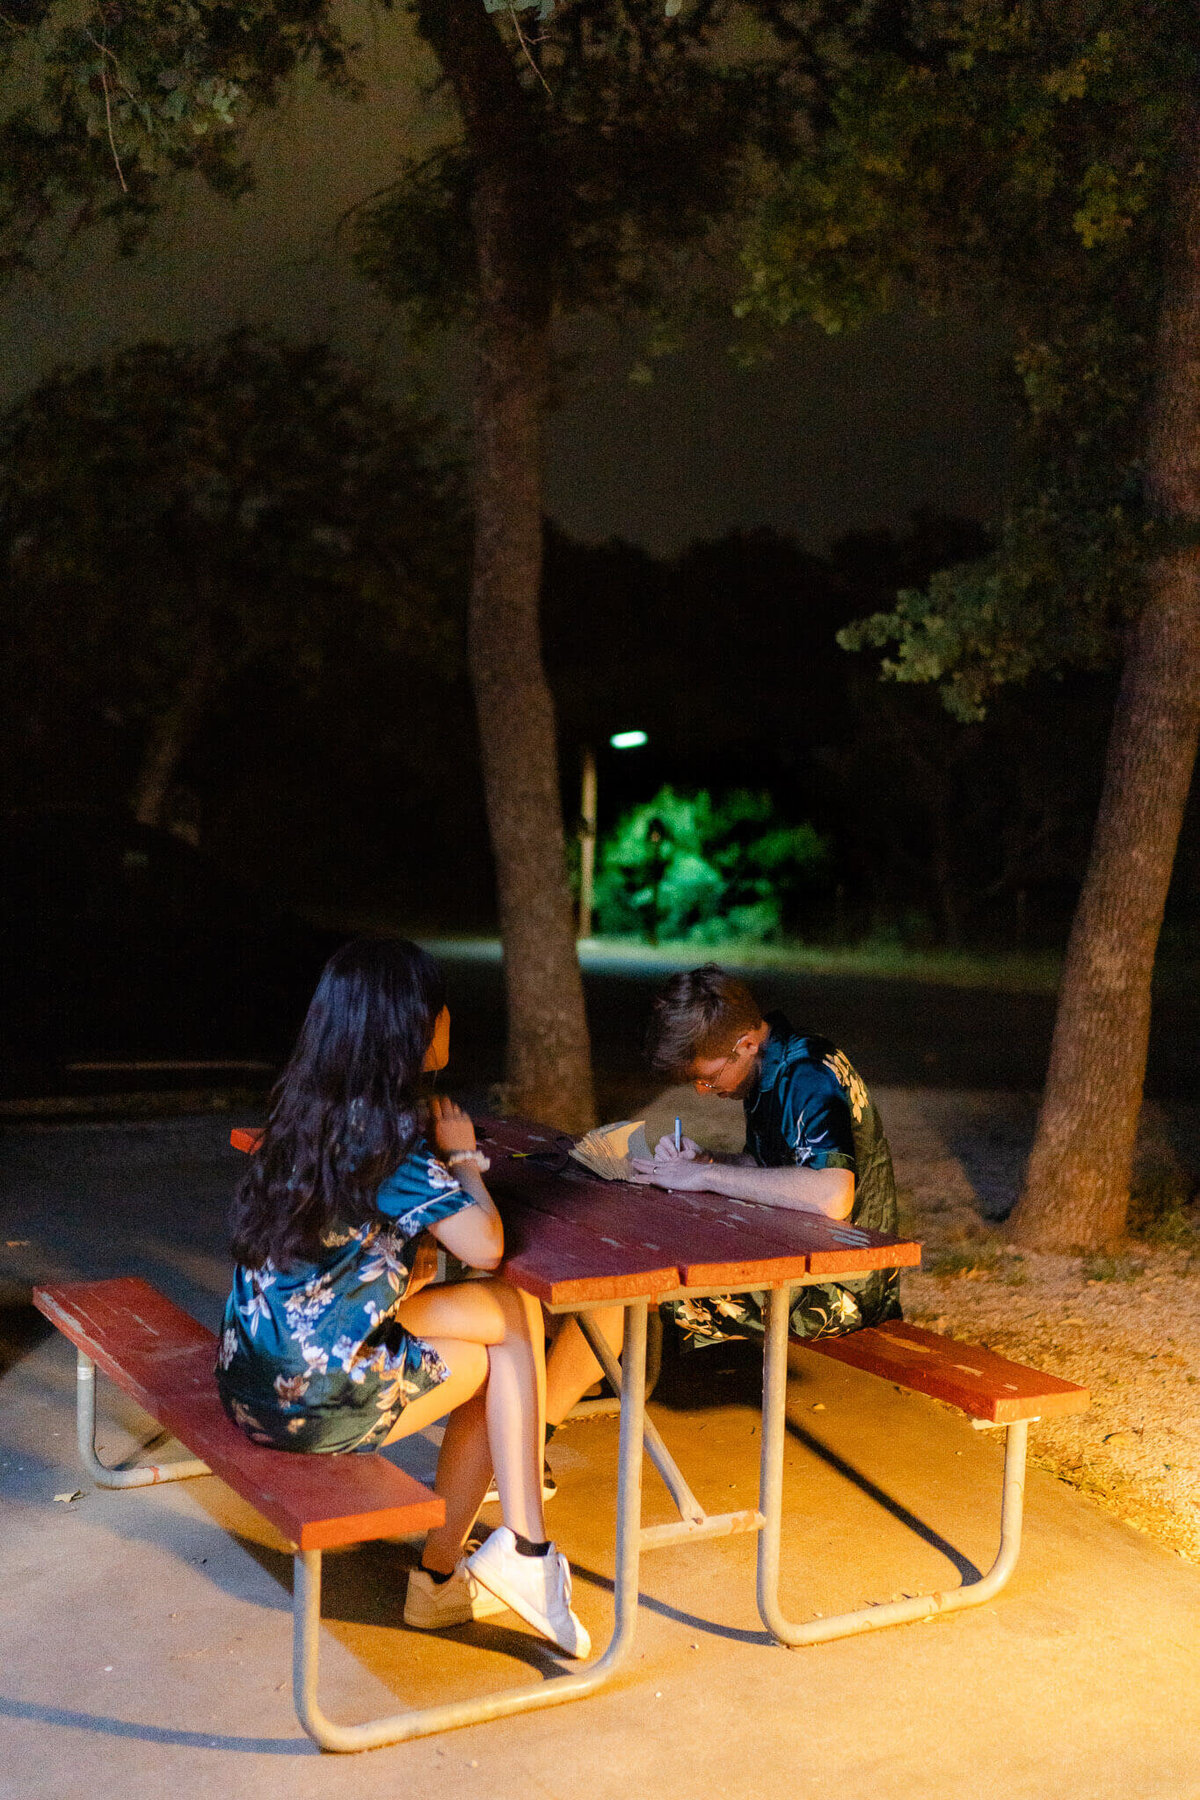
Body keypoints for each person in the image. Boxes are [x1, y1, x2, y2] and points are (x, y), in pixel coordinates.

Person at [215, 936, 589, 1658]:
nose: (449, 1019)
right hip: (308, 1399)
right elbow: (484, 1245)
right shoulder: (384, 1136)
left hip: (249, 1373)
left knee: (512, 1317)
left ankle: (504, 1560)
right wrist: (464, 1158)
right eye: (438, 1009)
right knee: (502, 1354)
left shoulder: (308, 1107)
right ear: (412, 1028)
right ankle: (494, 1561)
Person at [542, 963, 901, 1419]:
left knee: (620, 1291)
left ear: (746, 1043)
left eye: (708, 1078)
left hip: (841, 1284)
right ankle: (560, 1396)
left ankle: (525, 1447)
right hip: (801, 1254)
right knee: (606, 1274)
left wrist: (706, 1178)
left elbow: (832, 1195)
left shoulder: (807, 1073)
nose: (704, 1090)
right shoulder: (776, 1061)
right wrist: (708, 1162)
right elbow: (773, 1169)